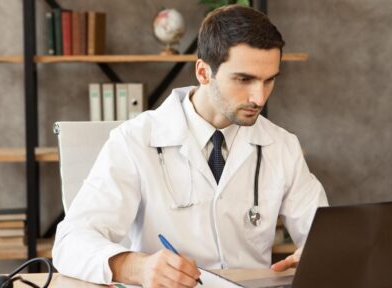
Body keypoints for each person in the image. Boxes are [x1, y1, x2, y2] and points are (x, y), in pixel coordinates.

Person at [52, 4, 328, 287]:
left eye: (269, 80)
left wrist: (322, 254)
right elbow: (70, 242)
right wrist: (137, 267)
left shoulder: (282, 146)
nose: (259, 97)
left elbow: (327, 236)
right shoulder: (134, 140)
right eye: (243, 79)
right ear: (203, 72)